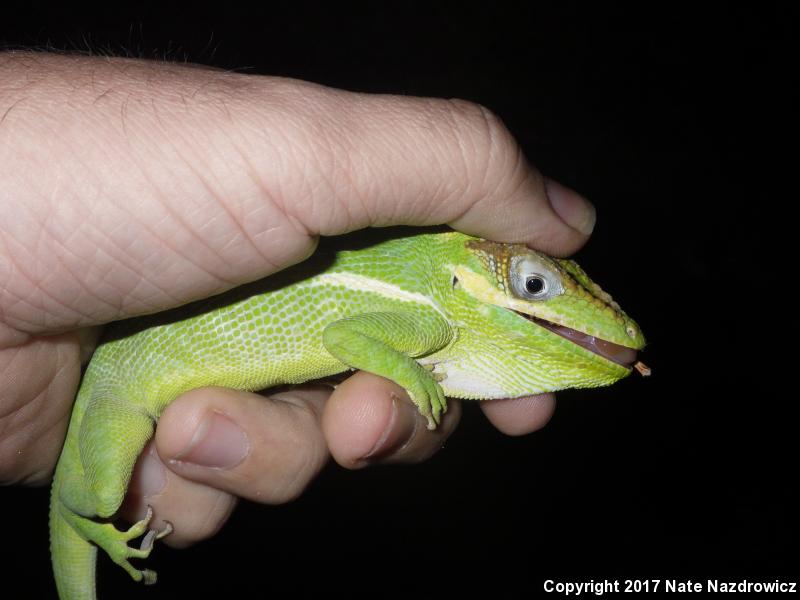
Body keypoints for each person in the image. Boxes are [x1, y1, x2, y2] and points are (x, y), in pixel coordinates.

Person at [0, 52, 596, 547]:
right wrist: (408, 373)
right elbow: (343, 339)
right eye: (533, 284)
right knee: (103, 496)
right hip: (120, 388)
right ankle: (83, 522)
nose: (534, 291)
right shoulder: (426, 318)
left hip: (84, 361)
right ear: (468, 273)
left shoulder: (426, 306)